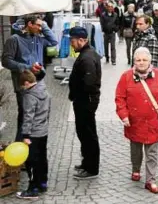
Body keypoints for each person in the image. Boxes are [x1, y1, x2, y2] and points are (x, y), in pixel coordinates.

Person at [115, 47, 158, 194]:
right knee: (136, 149)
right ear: (134, 61)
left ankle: (150, 180)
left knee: (152, 152)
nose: (141, 63)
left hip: (153, 122)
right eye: (138, 60)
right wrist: (124, 115)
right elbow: (120, 98)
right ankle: (135, 169)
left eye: (144, 60)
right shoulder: (126, 77)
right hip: (134, 122)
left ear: (150, 61)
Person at [1, 14, 57, 142]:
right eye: (38, 25)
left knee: (37, 115)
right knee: (26, 115)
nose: (40, 27)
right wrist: (27, 67)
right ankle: (20, 147)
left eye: (41, 25)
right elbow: (5, 61)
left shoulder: (37, 38)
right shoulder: (14, 39)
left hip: (39, 82)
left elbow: (54, 41)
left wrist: (44, 26)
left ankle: (33, 146)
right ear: (29, 25)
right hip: (23, 84)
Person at [68, 27, 102, 179]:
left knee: (88, 134)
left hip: (85, 101)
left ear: (81, 40)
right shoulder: (86, 53)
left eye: (72, 41)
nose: (71, 44)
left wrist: (78, 94)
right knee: (84, 133)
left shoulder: (87, 57)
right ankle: (87, 162)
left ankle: (91, 168)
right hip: (84, 100)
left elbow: (89, 82)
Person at [16, 70, 51, 199]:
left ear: (26, 83)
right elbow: (48, 111)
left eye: (23, 86)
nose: (23, 88)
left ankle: (33, 189)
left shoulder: (29, 96)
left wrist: (25, 135)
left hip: (33, 134)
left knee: (31, 161)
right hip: (43, 131)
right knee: (42, 159)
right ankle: (43, 183)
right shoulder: (44, 90)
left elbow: (28, 117)